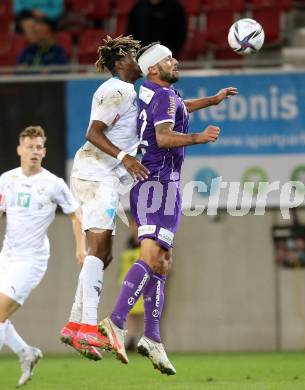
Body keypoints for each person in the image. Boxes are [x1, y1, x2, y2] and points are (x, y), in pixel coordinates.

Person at [100, 42, 238, 374]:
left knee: (163, 262)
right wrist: (197, 137)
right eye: (168, 59)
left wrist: (211, 100)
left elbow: (179, 106)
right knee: (150, 259)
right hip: (156, 184)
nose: (175, 62)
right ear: (152, 69)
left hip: (164, 186)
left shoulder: (155, 92)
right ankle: (116, 321)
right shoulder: (160, 95)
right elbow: (163, 137)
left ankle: (152, 337)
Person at [60, 35, 149, 361]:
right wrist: (125, 157)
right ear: (119, 63)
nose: (138, 57)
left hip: (102, 177)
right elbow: (93, 132)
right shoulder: (115, 90)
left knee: (104, 255)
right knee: (99, 250)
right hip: (96, 175)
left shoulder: (130, 92)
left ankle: (74, 324)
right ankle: (85, 327)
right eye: (131, 53)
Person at [0, 126, 84, 387]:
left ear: (44, 151)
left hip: (31, 261)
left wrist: (81, 247)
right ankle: (27, 352)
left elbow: (75, 214)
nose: (34, 151)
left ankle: (26, 353)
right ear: (19, 150)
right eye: (29, 146)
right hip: (7, 255)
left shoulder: (53, 183)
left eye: (38, 147)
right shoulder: (6, 179)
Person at [118, 216, 144, 352]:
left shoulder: (147, 241)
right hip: (129, 283)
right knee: (131, 312)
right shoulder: (129, 242)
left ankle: (146, 339)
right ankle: (132, 339)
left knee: (145, 311)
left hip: (143, 282)